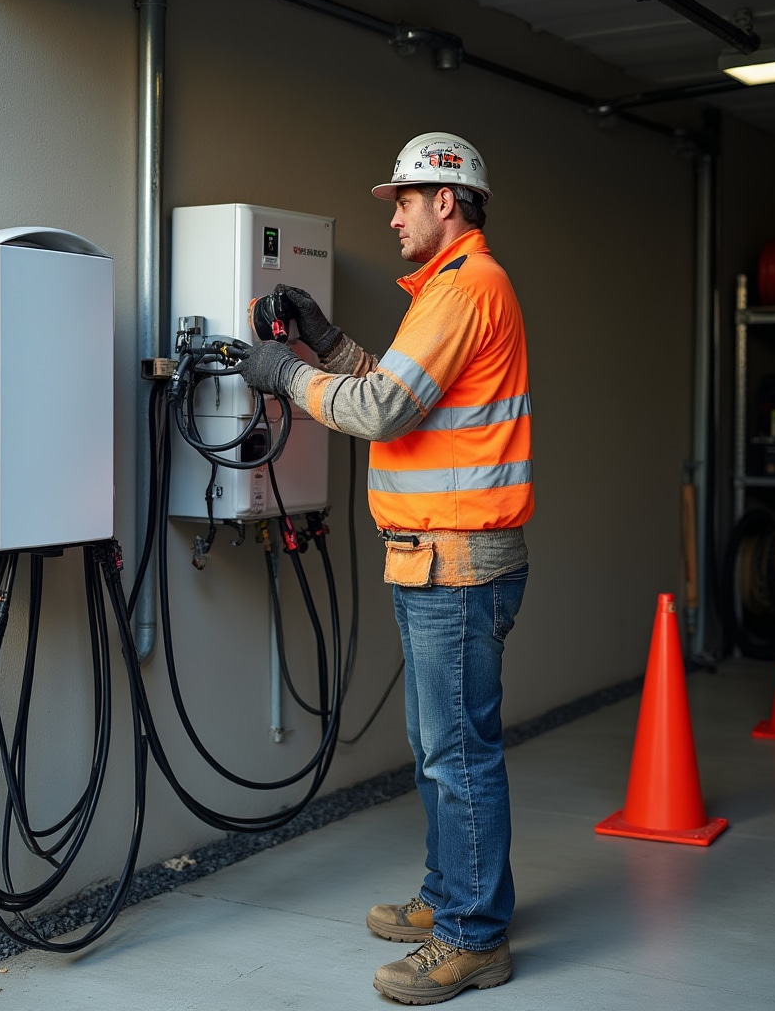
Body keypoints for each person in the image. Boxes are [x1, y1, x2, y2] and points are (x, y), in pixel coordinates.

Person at [239, 132, 533, 1005]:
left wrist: (286, 374)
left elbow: (378, 411)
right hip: (430, 558)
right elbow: (402, 397)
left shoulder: (465, 287)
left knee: (458, 754)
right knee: (438, 747)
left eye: (403, 200)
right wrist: (326, 343)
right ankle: (450, 896)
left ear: (446, 199)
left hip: (458, 560)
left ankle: (473, 937)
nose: (395, 217)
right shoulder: (445, 290)